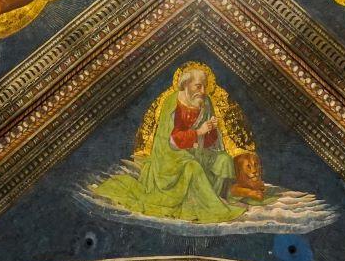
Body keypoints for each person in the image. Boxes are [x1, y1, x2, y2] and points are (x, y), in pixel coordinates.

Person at [93, 65, 244, 223]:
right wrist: (199, 131)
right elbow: (172, 141)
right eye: (198, 86)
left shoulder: (205, 103)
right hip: (171, 157)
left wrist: (211, 128)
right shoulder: (173, 104)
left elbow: (209, 142)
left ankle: (214, 197)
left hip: (197, 151)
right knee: (193, 167)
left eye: (205, 86)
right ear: (186, 84)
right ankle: (204, 206)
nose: (203, 91)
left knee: (224, 160)